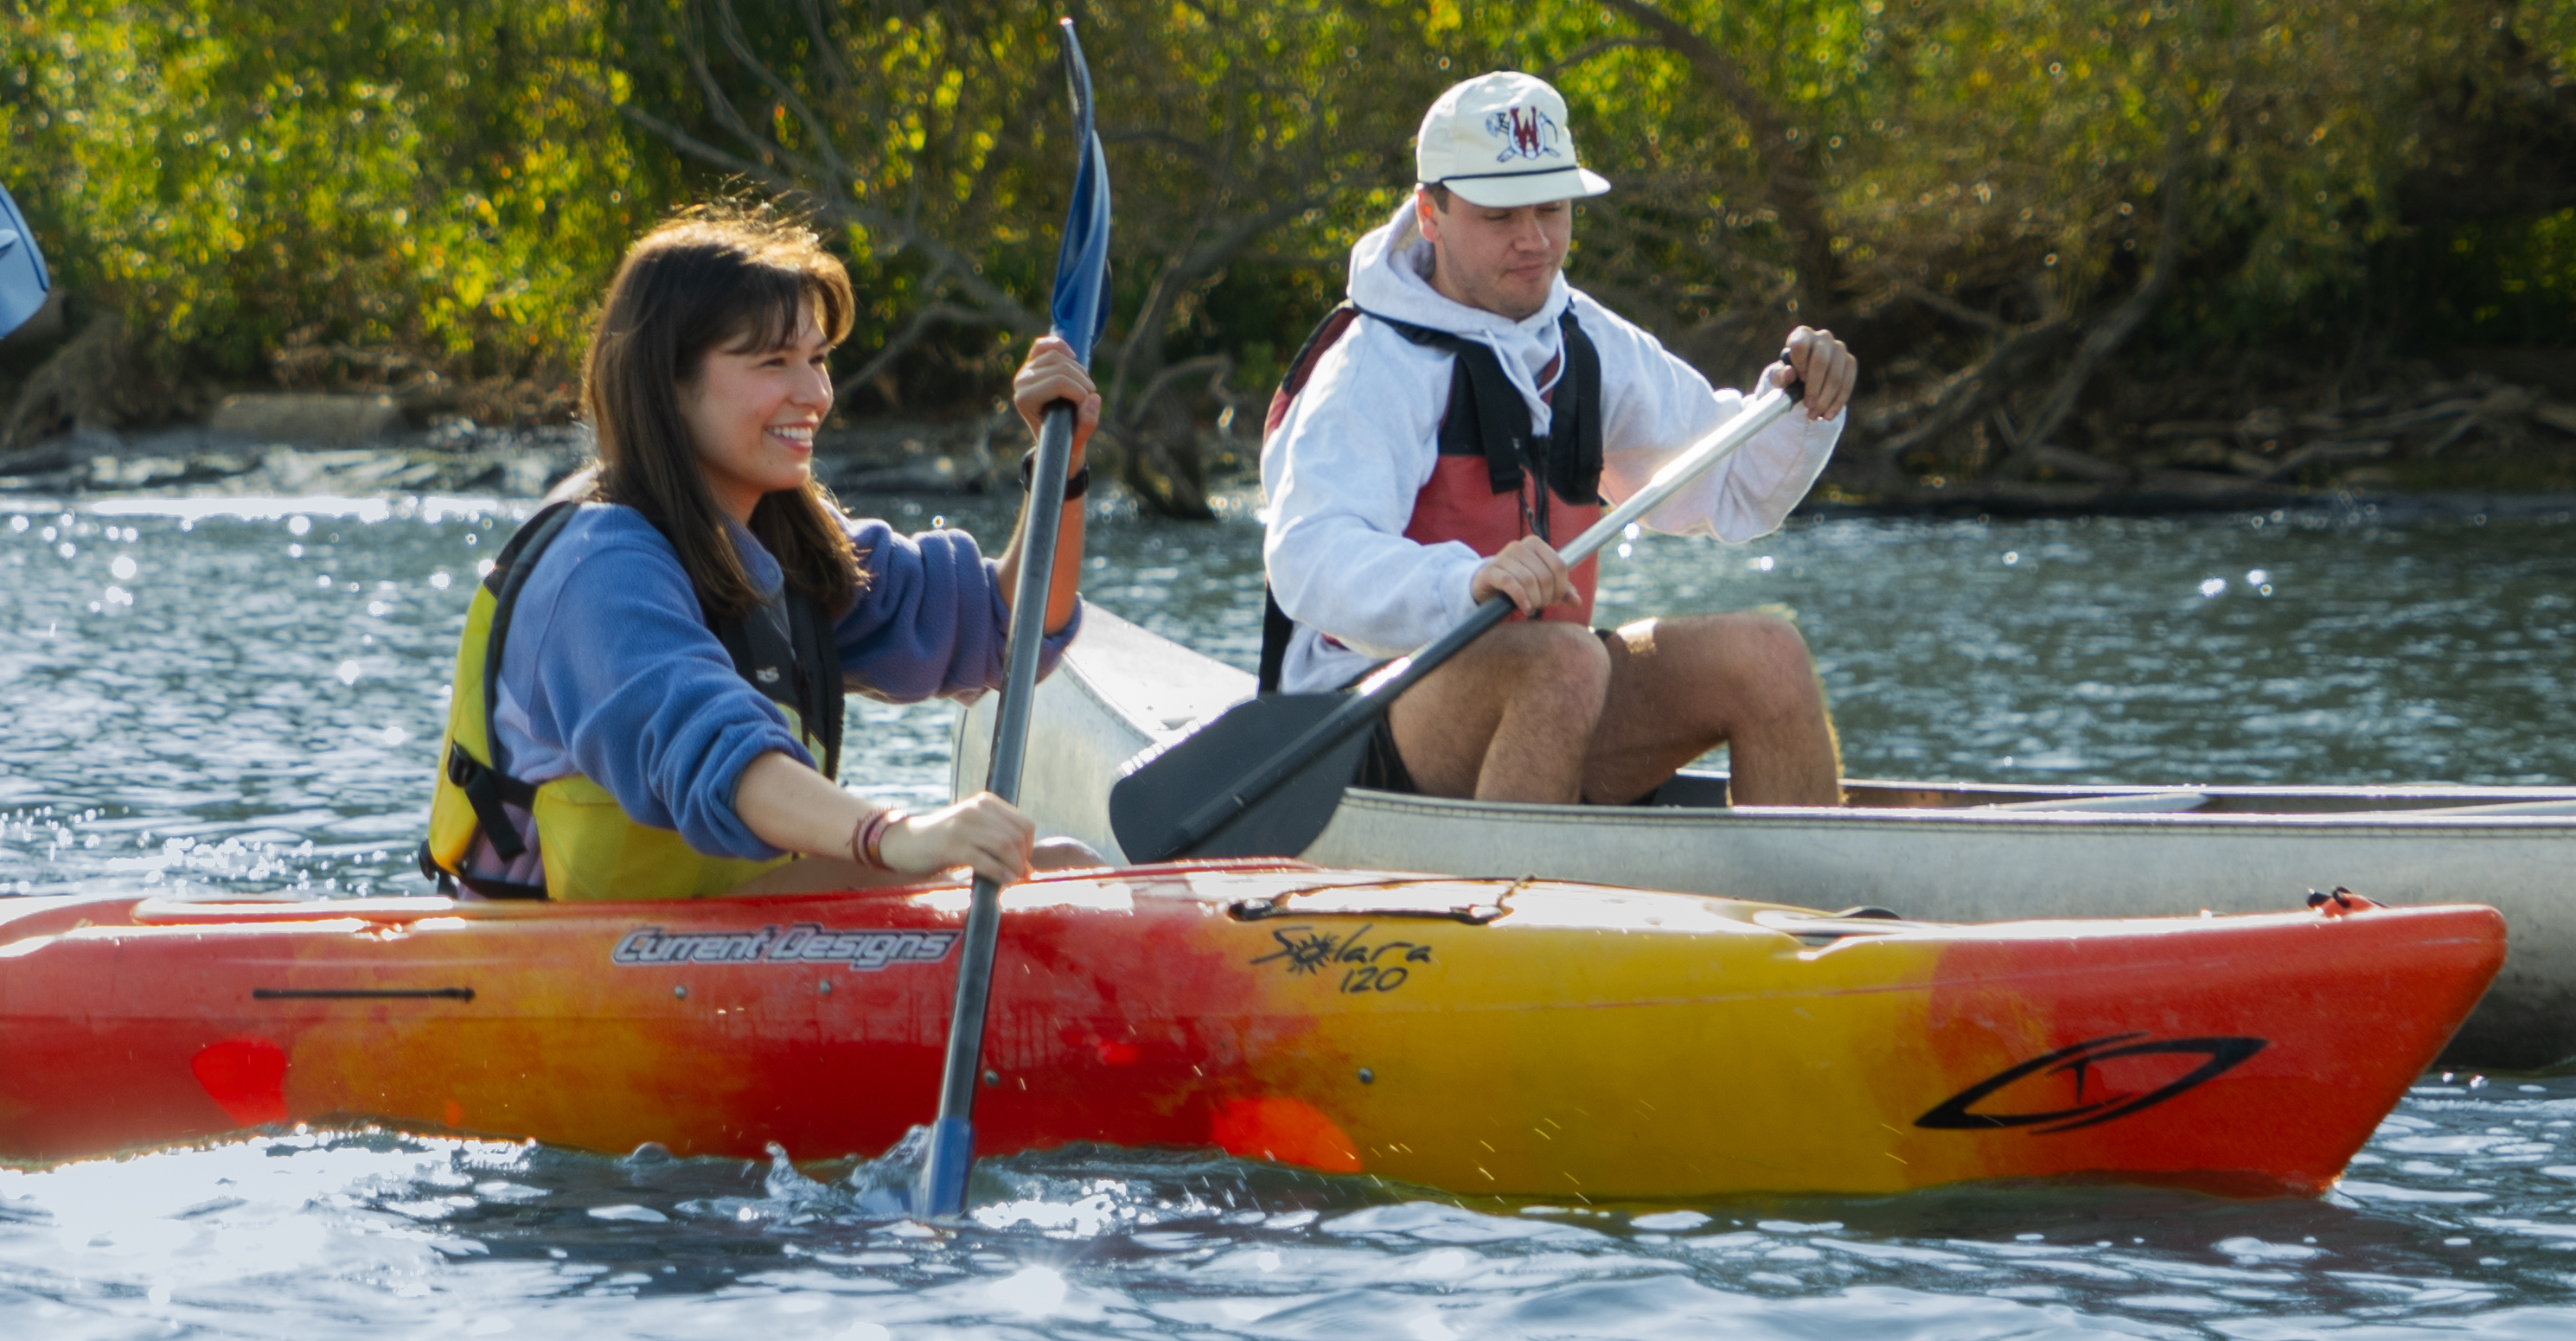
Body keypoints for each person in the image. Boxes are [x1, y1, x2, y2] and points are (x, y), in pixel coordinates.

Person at [423, 206, 1108, 902]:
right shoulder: (594, 569)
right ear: (668, 383)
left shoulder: (784, 546)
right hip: (566, 965)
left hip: (714, 939)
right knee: (1030, 874)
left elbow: (1011, 628)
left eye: (816, 360)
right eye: (772, 362)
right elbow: (712, 750)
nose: (814, 395)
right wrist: (896, 835)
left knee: (1062, 867)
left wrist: (1063, 465)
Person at [1250, 72, 1863, 808]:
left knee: (1770, 656)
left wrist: (1804, 405)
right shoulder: (1371, 366)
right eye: (1501, 215)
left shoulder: (1591, 341)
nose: (1535, 240)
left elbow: (1732, 491)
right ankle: (1515, 906)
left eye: (1551, 209)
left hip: (1553, 691)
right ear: (1431, 213)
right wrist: (1464, 582)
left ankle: (1817, 914)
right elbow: (1309, 558)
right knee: (1562, 664)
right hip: (1351, 726)